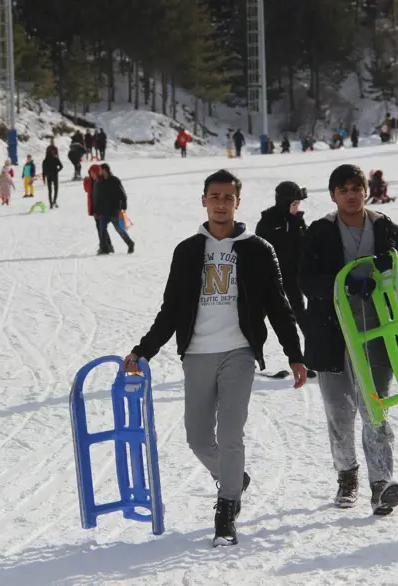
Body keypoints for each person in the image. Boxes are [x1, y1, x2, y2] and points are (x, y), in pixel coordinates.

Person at [123, 169, 305, 546]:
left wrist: (295, 354)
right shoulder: (188, 250)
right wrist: (144, 350)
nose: (221, 204)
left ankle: (226, 509)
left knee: (231, 432)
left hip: (238, 351)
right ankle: (234, 478)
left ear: (238, 203)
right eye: (214, 196)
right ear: (204, 200)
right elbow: (171, 310)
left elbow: (278, 305)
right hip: (197, 352)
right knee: (198, 437)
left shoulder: (257, 249)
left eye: (228, 198)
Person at [299, 164, 398, 516]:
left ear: (367, 191)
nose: (352, 194)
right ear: (333, 195)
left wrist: (393, 264)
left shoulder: (385, 227)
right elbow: (306, 280)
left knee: (374, 406)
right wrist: (342, 283)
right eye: (344, 189)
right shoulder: (319, 232)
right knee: (339, 411)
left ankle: (382, 483)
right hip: (331, 333)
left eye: (357, 187)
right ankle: (346, 474)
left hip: (378, 330)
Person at [255, 181, 316, 379]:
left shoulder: (297, 221)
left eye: (299, 204)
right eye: (294, 204)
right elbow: (258, 250)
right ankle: (248, 358)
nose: (297, 208)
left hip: (293, 278)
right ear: (284, 202)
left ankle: (314, 357)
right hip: (270, 280)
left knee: (302, 315)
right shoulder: (268, 222)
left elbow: (306, 246)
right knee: (258, 318)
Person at [94, 163, 134, 255]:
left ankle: (130, 243)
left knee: (119, 229)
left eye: (100, 170)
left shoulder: (115, 180)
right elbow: (97, 197)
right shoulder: (99, 181)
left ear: (105, 170)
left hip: (114, 210)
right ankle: (104, 249)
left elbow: (123, 194)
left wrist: (123, 207)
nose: (99, 172)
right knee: (102, 229)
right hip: (103, 211)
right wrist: (96, 210)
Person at [84, 164, 112, 254]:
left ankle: (105, 247)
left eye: (93, 173)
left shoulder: (100, 181)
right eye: (91, 173)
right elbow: (87, 190)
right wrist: (85, 182)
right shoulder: (91, 181)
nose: (92, 175)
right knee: (100, 227)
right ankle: (107, 245)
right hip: (94, 207)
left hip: (100, 208)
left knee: (101, 228)